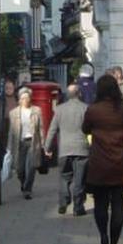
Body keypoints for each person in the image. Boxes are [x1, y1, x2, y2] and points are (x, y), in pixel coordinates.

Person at [82, 73, 123, 244]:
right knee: (118, 206)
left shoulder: (93, 110)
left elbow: (85, 129)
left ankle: (103, 238)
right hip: (121, 164)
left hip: (99, 164)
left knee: (100, 205)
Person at [44, 84, 89, 216]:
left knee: (64, 177)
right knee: (79, 180)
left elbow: (52, 130)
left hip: (64, 149)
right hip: (81, 149)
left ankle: (63, 202)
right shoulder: (85, 108)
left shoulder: (59, 109)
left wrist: (47, 147)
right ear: (79, 94)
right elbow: (91, 128)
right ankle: (78, 207)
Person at [8, 86, 44, 200]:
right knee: (20, 169)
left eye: (27, 97)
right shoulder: (13, 113)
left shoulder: (37, 110)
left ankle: (27, 190)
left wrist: (44, 144)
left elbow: (41, 128)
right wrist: (9, 147)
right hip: (19, 143)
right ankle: (23, 184)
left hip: (33, 142)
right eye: (23, 98)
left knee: (31, 167)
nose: (25, 100)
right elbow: (11, 131)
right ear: (19, 99)